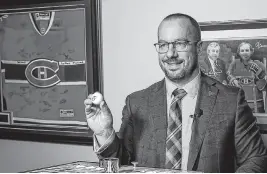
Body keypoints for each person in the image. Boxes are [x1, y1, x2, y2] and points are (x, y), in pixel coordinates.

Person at [84, 13, 267, 172]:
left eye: (180, 43)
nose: (170, 54)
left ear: (199, 47)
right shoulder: (136, 102)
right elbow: (121, 164)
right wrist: (104, 133)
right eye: (163, 45)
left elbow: (256, 160)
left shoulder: (231, 100)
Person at [227, 42, 267, 113]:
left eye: (247, 50)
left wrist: (259, 74)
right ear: (239, 52)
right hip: (239, 104)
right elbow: (228, 74)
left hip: (256, 105)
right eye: (242, 51)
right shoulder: (234, 63)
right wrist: (233, 80)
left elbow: (264, 88)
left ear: (251, 51)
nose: (244, 53)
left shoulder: (259, 64)